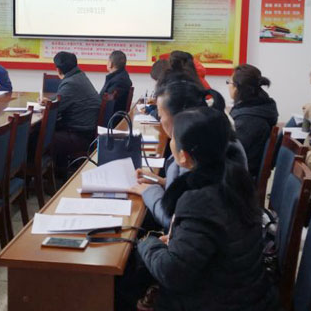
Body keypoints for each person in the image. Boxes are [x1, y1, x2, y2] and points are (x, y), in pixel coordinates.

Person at [117, 107, 278, 311]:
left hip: (219, 301)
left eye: (173, 138)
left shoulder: (199, 201)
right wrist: (178, 241)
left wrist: (146, 242)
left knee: (123, 284)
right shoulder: (235, 179)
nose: (171, 141)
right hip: (247, 293)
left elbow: (171, 273)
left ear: (184, 156)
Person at [129, 79, 247, 229]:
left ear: (179, 116)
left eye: (160, 114)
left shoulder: (198, 150)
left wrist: (150, 191)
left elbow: (174, 219)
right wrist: (162, 181)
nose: (159, 119)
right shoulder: (210, 132)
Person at [51, 52, 101, 174]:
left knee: (38, 138)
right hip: (86, 132)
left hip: (79, 136)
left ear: (58, 69)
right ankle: (56, 172)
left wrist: (47, 104)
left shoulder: (70, 83)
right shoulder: (80, 76)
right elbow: (60, 101)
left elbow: (54, 110)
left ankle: (50, 174)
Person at [228, 64, 279, 178]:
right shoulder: (259, 108)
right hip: (243, 170)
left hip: (240, 177)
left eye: (229, 82)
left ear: (237, 87)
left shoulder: (248, 120)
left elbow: (233, 153)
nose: (228, 86)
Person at [100, 50, 133, 115]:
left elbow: (105, 103)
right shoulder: (122, 77)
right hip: (115, 116)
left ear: (110, 64)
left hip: (111, 118)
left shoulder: (118, 82)